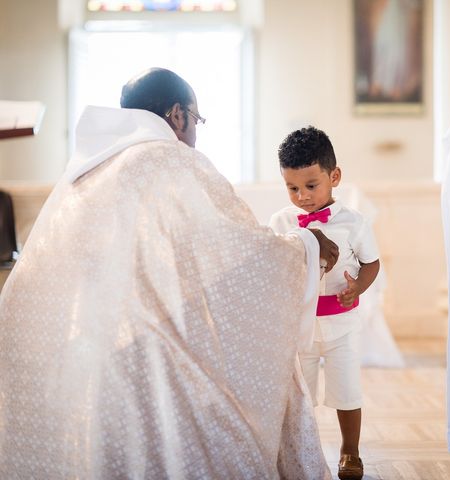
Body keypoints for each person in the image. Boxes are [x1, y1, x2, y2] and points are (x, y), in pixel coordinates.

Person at [0, 68, 338, 479]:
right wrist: (306, 248)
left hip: (81, 359)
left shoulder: (89, 170)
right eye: (197, 119)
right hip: (147, 357)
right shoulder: (170, 158)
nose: (195, 131)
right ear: (177, 115)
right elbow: (238, 247)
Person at [269, 126, 381, 480]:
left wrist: (358, 288)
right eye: (292, 188)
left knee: (347, 390)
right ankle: (297, 451)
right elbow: (274, 263)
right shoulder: (281, 222)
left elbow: (371, 263)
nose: (302, 197)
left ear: (334, 176)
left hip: (342, 326)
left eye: (311, 186)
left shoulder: (353, 223)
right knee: (299, 396)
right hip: (299, 327)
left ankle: (350, 450)